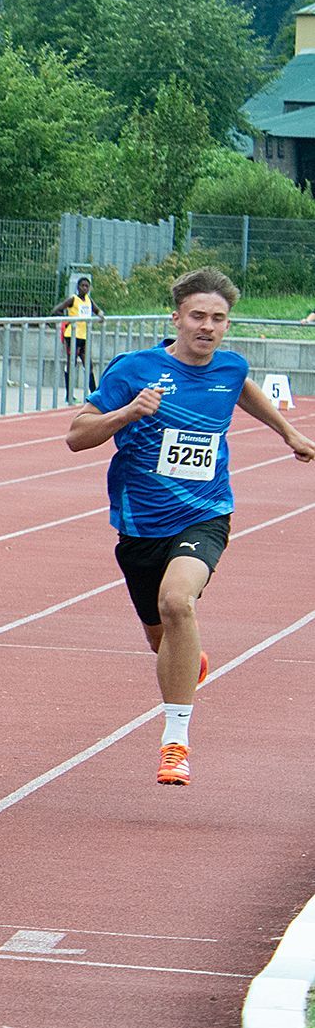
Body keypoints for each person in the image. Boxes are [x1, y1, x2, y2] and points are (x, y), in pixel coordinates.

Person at [64, 267, 315, 785]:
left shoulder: (229, 367)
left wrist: (289, 432)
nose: (208, 326)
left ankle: (174, 740)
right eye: (198, 316)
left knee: (178, 601)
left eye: (218, 318)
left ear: (227, 324)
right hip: (139, 528)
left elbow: (241, 386)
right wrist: (129, 412)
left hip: (206, 513)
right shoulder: (135, 370)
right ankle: (186, 658)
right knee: (166, 640)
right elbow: (76, 436)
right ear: (176, 317)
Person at [56, 274, 97, 398]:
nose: (85, 288)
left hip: (83, 336)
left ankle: (95, 394)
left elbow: (97, 310)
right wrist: (67, 320)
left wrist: (101, 315)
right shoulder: (73, 299)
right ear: (78, 287)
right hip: (72, 335)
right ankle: (69, 395)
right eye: (82, 286)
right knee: (71, 364)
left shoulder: (89, 301)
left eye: (87, 286)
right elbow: (56, 310)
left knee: (88, 365)